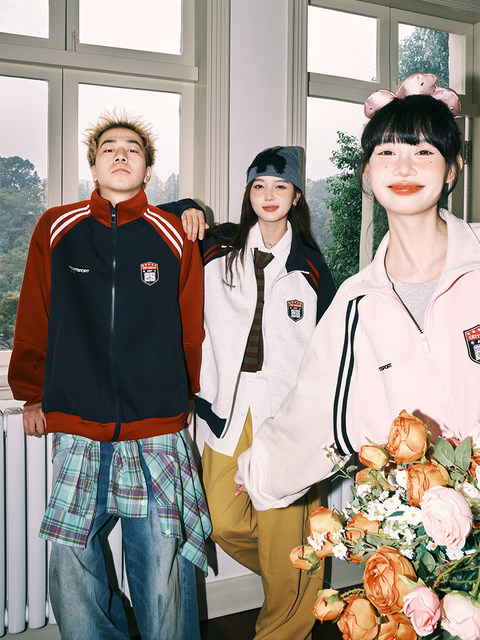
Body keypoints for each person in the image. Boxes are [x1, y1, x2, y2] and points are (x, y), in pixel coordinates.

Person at [8, 112, 211, 640]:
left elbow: (190, 326)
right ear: (94, 167)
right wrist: (31, 393)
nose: (121, 154)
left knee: (162, 573)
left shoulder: (176, 233)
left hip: (156, 428)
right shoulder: (56, 227)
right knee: (71, 566)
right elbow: (35, 314)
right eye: (109, 149)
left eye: (133, 149)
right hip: (78, 424)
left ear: (148, 170)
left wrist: (183, 393)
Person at [235, 73, 480, 512]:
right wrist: (261, 470)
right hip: (419, 531)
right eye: (386, 152)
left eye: (424, 152)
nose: (404, 168)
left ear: (452, 169)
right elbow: (315, 405)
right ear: (367, 170)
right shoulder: (356, 302)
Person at [183, 146, 336, 639]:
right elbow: (152, 219)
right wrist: (186, 207)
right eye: (259, 186)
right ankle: (294, 578)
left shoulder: (311, 268)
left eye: (281, 186)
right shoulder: (216, 248)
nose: (269, 195)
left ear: (296, 196)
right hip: (227, 410)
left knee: (284, 534)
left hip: (287, 419)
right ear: (249, 193)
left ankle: (284, 620)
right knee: (223, 522)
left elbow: (329, 352)